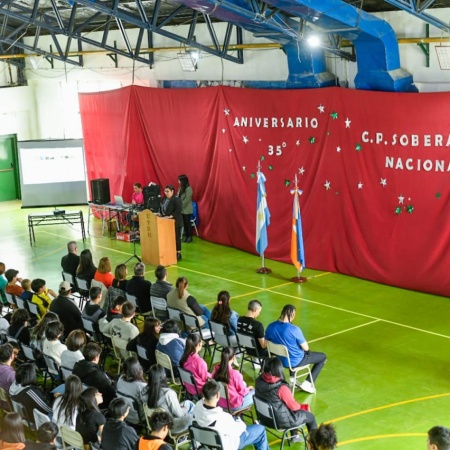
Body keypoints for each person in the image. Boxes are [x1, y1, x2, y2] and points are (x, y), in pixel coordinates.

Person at [265, 304, 327, 394]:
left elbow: (265, 344)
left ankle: (293, 379)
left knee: (289, 351)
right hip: (295, 362)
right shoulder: (294, 329)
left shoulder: (271, 326)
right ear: (292, 315)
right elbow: (306, 347)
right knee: (323, 357)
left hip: (279, 360)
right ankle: (308, 383)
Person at [193, 379, 269, 450]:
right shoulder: (222, 417)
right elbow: (239, 430)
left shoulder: (197, 407)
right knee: (261, 430)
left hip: (207, 441)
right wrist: (240, 422)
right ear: (217, 395)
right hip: (228, 444)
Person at [255, 357, 317, 441]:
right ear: (279, 369)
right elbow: (294, 407)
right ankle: (315, 443)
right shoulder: (281, 387)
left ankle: (295, 436)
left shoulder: (258, 381)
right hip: (280, 421)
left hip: (264, 418)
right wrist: (304, 407)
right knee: (310, 417)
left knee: (285, 407)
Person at [142, 364, 194, 434]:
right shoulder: (168, 393)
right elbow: (180, 414)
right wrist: (184, 409)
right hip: (169, 425)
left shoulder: (144, 391)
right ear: (163, 376)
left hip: (154, 423)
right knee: (191, 415)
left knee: (188, 403)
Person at [72, 342, 116, 407]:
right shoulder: (98, 375)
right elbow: (111, 392)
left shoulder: (77, 366)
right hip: (100, 402)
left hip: (83, 395)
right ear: (96, 358)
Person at [116, 356, 147, 424]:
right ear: (138, 368)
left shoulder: (120, 379)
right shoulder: (141, 386)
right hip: (139, 417)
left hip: (122, 414)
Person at [179, 333, 211, 398]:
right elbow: (204, 379)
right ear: (199, 344)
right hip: (198, 389)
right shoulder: (200, 362)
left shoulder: (184, 357)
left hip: (188, 386)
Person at [161, 185, 183, 261]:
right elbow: (163, 208)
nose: (166, 193)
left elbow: (178, 210)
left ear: (172, 191)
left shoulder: (176, 199)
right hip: (166, 222)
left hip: (176, 222)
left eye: (168, 191)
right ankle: (170, 252)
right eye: (165, 191)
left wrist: (171, 216)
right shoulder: (165, 199)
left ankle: (178, 253)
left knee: (177, 238)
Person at [177, 174, 193, 243]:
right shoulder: (180, 188)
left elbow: (187, 200)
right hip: (182, 210)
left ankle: (190, 236)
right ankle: (186, 236)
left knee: (187, 223)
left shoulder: (189, 189)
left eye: (179, 180)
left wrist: (180, 205)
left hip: (187, 210)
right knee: (184, 224)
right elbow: (178, 196)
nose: (178, 181)